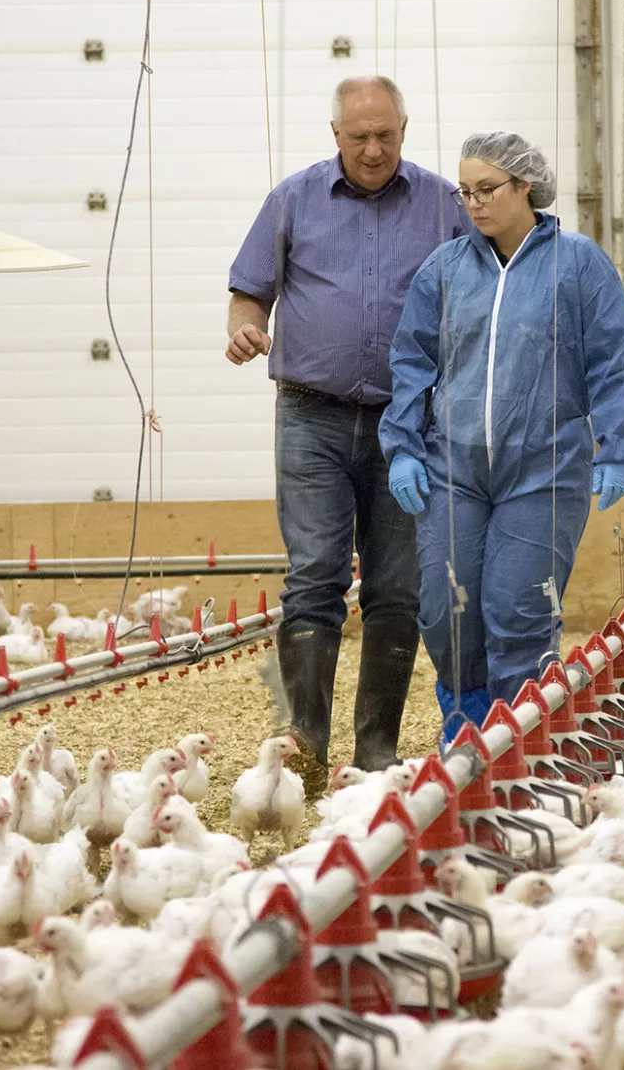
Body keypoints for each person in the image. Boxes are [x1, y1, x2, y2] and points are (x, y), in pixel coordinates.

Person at [225, 76, 471, 786]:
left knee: (397, 588)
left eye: (385, 136)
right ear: (335, 134)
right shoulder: (294, 199)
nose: (372, 149)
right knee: (315, 578)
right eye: (359, 137)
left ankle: (374, 752)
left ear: (404, 129)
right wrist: (245, 329)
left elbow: (483, 289)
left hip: (410, 424)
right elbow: (250, 294)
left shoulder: (441, 205)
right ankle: (304, 745)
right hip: (311, 415)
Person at [380, 131, 624, 744]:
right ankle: (467, 727)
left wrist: (617, 446)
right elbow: (412, 362)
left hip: (544, 470)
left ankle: (519, 740)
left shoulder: (578, 263)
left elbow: (610, 361)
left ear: (526, 186)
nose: (474, 204)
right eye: (464, 191)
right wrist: (402, 448)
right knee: (447, 611)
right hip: (454, 470)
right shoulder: (444, 269)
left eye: (487, 190)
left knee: (518, 608)